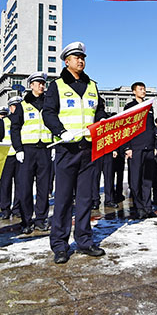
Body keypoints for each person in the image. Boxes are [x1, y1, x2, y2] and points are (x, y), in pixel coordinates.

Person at [42, 42, 108, 264]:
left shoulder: (92, 85)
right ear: (66, 61)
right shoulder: (57, 86)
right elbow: (48, 113)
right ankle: (60, 245)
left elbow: (99, 109)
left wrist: (100, 121)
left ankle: (84, 240)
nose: (80, 60)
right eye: (75, 57)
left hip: (88, 148)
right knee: (62, 199)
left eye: (83, 57)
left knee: (85, 198)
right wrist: (61, 132)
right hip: (66, 149)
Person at [10, 72, 54, 232]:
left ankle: (41, 219)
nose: (41, 85)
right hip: (27, 151)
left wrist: (54, 145)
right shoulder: (23, 105)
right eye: (38, 83)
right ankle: (26, 221)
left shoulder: (50, 104)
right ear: (31, 85)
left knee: (44, 188)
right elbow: (15, 128)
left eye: (43, 83)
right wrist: (18, 149)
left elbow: (54, 125)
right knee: (25, 188)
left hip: (45, 150)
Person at [122, 82, 157, 218]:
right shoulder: (129, 107)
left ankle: (148, 207)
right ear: (134, 92)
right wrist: (127, 147)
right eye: (140, 89)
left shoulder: (149, 107)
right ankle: (138, 207)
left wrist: (154, 146)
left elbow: (151, 128)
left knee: (147, 179)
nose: (143, 91)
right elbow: (125, 128)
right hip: (135, 148)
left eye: (144, 89)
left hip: (149, 147)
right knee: (135, 179)